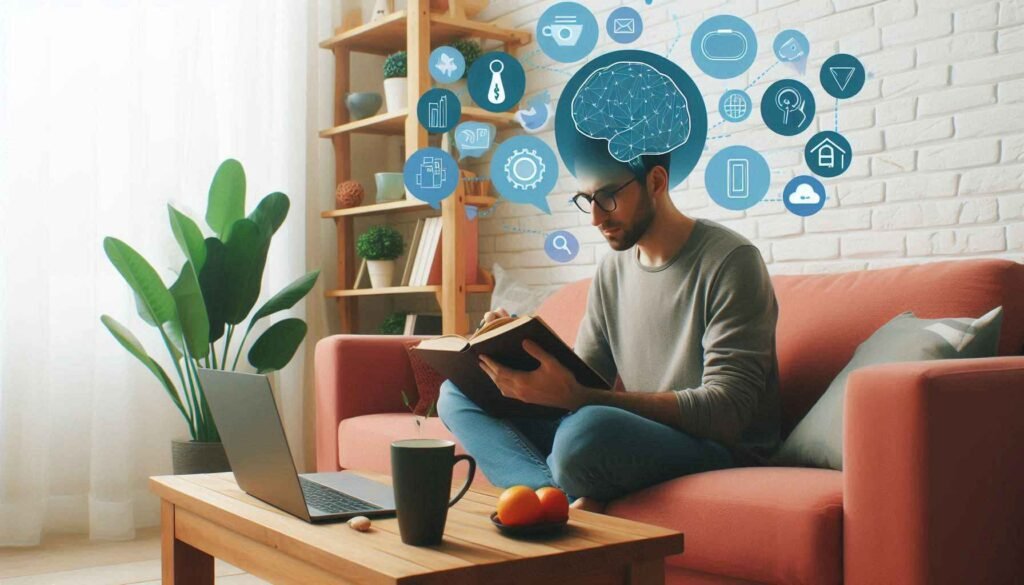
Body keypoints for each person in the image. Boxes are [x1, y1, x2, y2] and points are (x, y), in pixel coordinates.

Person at [437, 144, 781, 513]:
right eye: (587, 199)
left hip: (714, 448)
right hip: (633, 436)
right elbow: (586, 377)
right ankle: (554, 503)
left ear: (656, 181)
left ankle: (550, 500)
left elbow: (727, 412)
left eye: (608, 197)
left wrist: (580, 398)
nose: (596, 218)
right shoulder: (612, 270)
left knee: (584, 434)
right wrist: (512, 350)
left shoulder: (731, 261)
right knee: (455, 394)